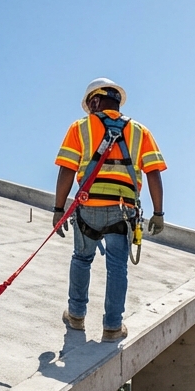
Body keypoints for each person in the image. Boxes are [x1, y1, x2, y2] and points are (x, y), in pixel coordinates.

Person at [55, 78, 166, 341]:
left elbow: (67, 170)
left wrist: (59, 209)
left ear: (95, 101)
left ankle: (76, 316)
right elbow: (153, 174)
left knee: (82, 259)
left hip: (88, 206)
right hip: (123, 211)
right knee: (117, 268)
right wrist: (159, 213)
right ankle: (113, 327)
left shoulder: (80, 127)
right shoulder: (140, 131)